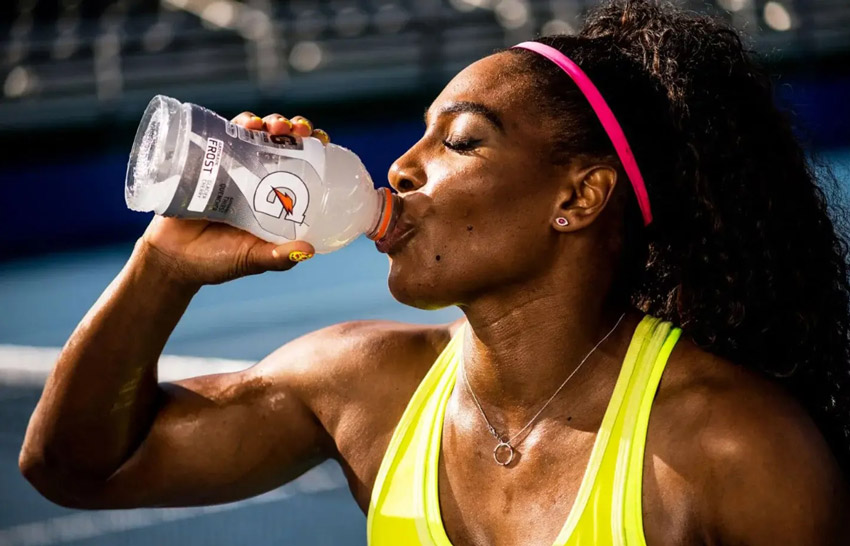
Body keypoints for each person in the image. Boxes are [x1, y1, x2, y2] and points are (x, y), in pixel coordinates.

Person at [18, 0, 850, 544]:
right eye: (417, 135)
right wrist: (166, 264)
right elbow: (76, 468)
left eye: (460, 140)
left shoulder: (730, 446)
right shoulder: (364, 387)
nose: (402, 168)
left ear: (580, 195)